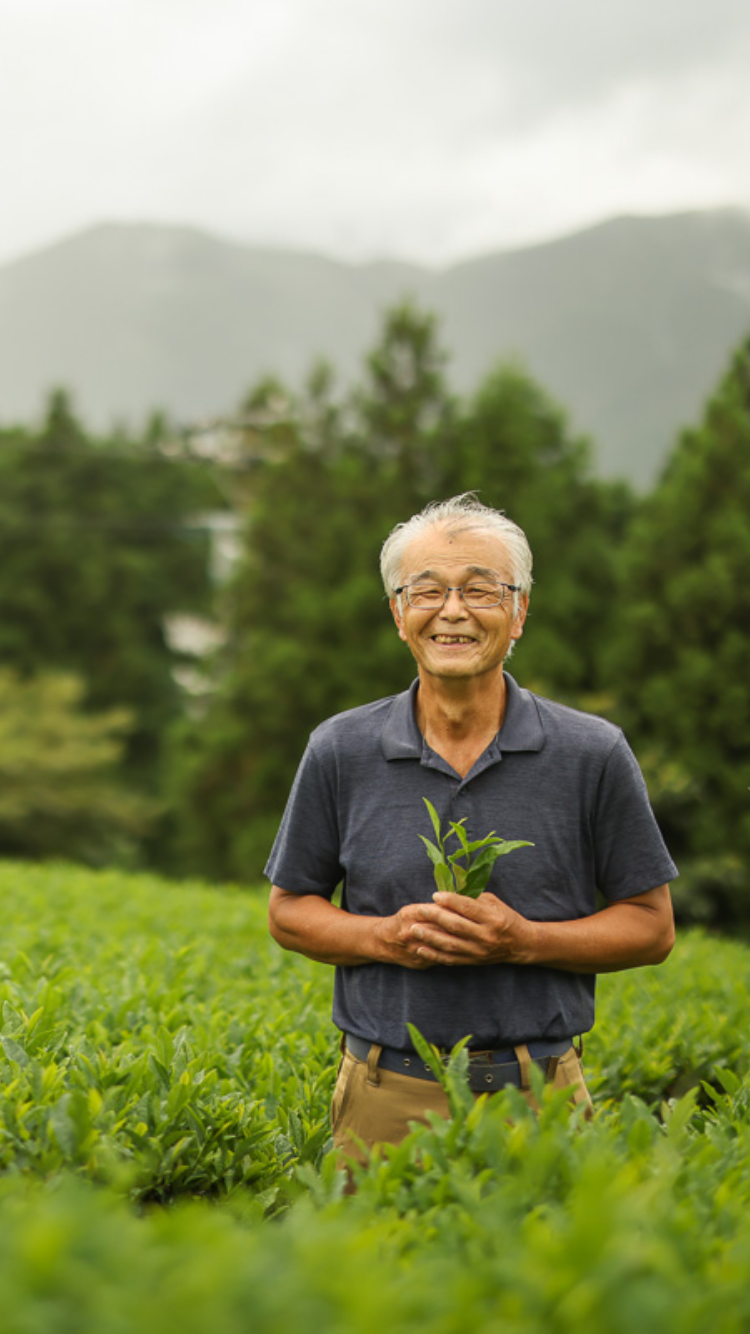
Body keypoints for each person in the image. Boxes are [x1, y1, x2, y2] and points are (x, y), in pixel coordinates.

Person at [266, 494, 676, 1161]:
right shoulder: (340, 748)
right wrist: (384, 937)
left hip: (540, 1092)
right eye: (426, 591)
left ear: (519, 614)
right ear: (399, 614)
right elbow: (288, 912)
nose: (452, 610)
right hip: (384, 1093)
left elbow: (651, 927)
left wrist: (523, 941)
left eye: (481, 590)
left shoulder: (591, 752)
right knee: (375, 1266)